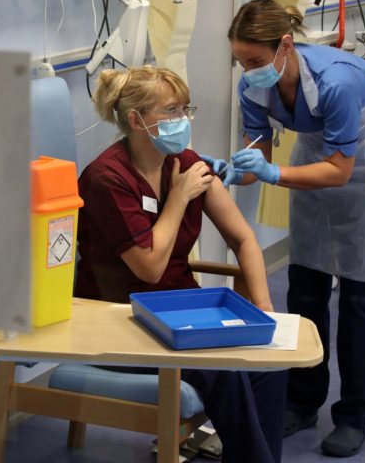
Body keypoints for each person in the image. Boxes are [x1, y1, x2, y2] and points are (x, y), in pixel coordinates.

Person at [75, 65, 286, 463]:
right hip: (119, 320)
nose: (183, 121)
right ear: (136, 120)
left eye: (185, 109)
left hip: (183, 315)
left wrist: (264, 310)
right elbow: (150, 268)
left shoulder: (184, 162)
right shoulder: (107, 179)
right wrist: (179, 197)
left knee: (267, 363)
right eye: (171, 111)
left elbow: (243, 239)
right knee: (225, 370)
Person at [209, 0, 365, 458]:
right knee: (305, 287)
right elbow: (257, 159)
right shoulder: (254, 86)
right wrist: (228, 168)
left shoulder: (337, 84)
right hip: (312, 162)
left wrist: (274, 175)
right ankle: (302, 400)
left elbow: (340, 171)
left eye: (256, 60)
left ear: (285, 45)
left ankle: (356, 413)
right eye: (240, 61)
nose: (248, 70)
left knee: (362, 296)